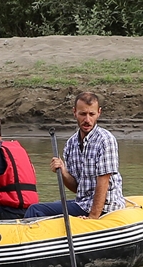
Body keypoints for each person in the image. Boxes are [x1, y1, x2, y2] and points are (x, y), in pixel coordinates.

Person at [24, 91, 125, 220]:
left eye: (91, 114)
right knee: (50, 205)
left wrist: (92, 217)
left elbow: (103, 182)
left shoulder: (105, 140)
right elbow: (77, 187)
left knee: (36, 210)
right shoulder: (71, 144)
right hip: (82, 203)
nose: (87, 120)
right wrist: (63, 171)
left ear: (98, 113)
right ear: (74, 112)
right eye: (82, 114)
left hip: (106, 207)